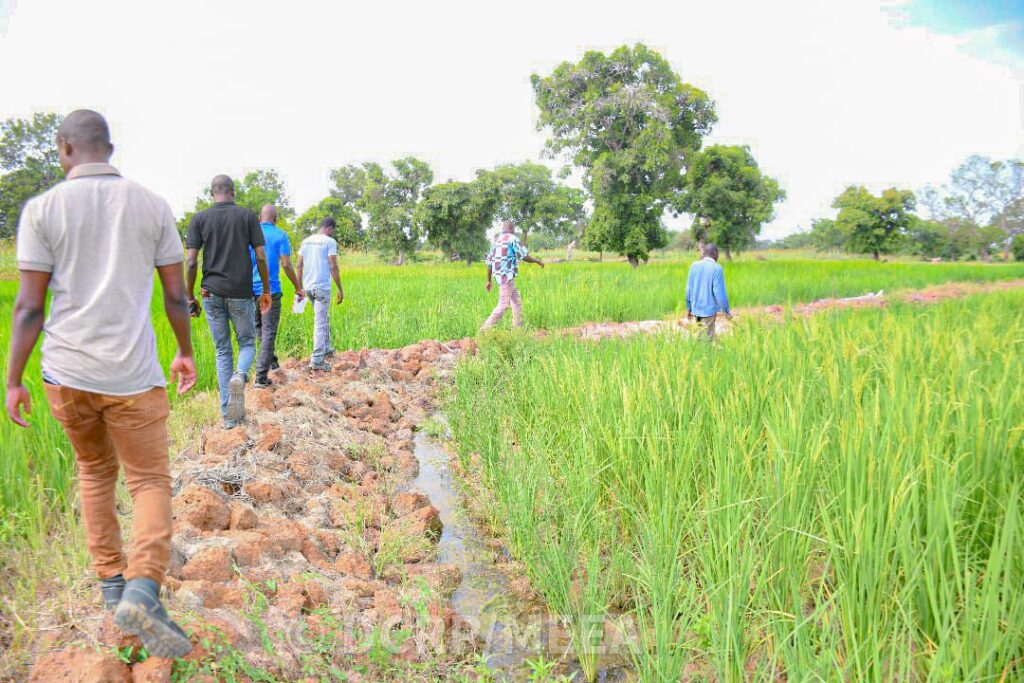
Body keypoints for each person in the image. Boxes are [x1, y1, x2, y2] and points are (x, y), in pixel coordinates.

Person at [4, 110, 197, 658]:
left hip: (67, 374)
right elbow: (176, 295)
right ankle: (142, 589)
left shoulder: (42, 210)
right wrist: (184, 351)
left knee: (93, 472)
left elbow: (28, 307)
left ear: (64, 148)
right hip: (133, 374)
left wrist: (13, 379)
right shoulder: (151, 205)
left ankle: (113, 587)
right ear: (109, 149)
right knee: (149, 481)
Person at [185, 176, 271, 428]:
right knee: (247, 343)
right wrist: (266, 290)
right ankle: (240, 376)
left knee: (222, 350)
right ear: (233, 192)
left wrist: (189, 296)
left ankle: (228, 417)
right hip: (240, 292)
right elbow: (261, 256)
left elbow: (191, 261)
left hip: (210, 292)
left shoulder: (199, 219)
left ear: (212, 193)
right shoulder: (247, 216)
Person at [250, 205, 303, 388]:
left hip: (250, 291)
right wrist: (298, 287)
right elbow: (286, 264)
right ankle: (261, 377)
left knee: (258, 327)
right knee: (268, 332)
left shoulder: (249, 234)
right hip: (271, 291)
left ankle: (272, 362)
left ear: (260, 217)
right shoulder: (280, 235)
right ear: (276, 219)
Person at [296, 217, 343, 371]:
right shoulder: (329, 242)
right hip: (322, 287)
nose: (332, 233)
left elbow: (299, 265)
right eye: (332, 231)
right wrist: (340, 289)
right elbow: (333, 266)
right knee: (320, 323)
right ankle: (317, 360)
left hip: (308, 288)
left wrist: (299, 287)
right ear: (329, 228)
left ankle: (326, 348)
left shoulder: (306, 241)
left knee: (323, 317)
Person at [480, 220, 544, 330]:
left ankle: (518, 327)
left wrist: (489, 280)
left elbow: (489, 263)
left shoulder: (496, 241)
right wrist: (537, 261)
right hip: (507, 276)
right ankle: (484, 330)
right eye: (513, 229)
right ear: (511, 228)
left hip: (500, 276)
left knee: (516, 301)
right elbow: (524, 256)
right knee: (503, 305)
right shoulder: (512, 239)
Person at [685, 242, 732, 341]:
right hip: (708, 312)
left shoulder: (693, 266)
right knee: (707, 340)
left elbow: (689, 289)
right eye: (718, 254)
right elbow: (719, 293)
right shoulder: (717, 268)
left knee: (698, 338)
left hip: (695, 310)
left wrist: (688, 308)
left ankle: (697, 351)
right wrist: (726, 311)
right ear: (714, 253)